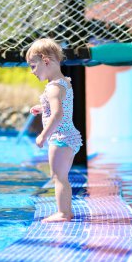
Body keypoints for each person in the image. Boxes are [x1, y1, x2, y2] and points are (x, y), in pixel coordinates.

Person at [27, 38, 82, 223]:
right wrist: (43, 108)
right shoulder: (63, 82)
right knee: (62, 176)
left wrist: (44, 134)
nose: (32, 71)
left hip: (60, 138)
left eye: (33, 66)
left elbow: (57, 114)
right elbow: (60, 106)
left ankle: (63, 213)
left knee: (58, 177)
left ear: (46, 60)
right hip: (70, 137)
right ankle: (66, 211)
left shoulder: (53, 88)